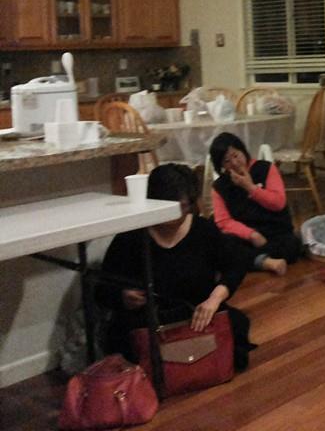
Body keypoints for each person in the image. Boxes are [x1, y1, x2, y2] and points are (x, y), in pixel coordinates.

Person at [97, 164, 254, 370]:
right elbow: (101, 290)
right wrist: (124, 297)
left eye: (183, 207)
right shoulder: (131, 237)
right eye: (170, 208)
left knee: (237, 325)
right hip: (149, 321)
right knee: (122, 342)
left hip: (194, 312)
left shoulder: (202, 230)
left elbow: (235, 264)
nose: (177, 215)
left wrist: (214, 299)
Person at [209, 132, 300, 275]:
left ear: (243, 151)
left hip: (274, 231)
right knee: (220, 244)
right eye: (227, 161)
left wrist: (250, 187)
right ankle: (265, 262)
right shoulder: (219, 186)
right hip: (245, 236)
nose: (234, 163)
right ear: (221, 165)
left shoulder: (266, 168)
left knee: (291, 245)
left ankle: (253, 260)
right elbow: (223, 221)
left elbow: (278, 203)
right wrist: (252, 235)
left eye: (236, 155)